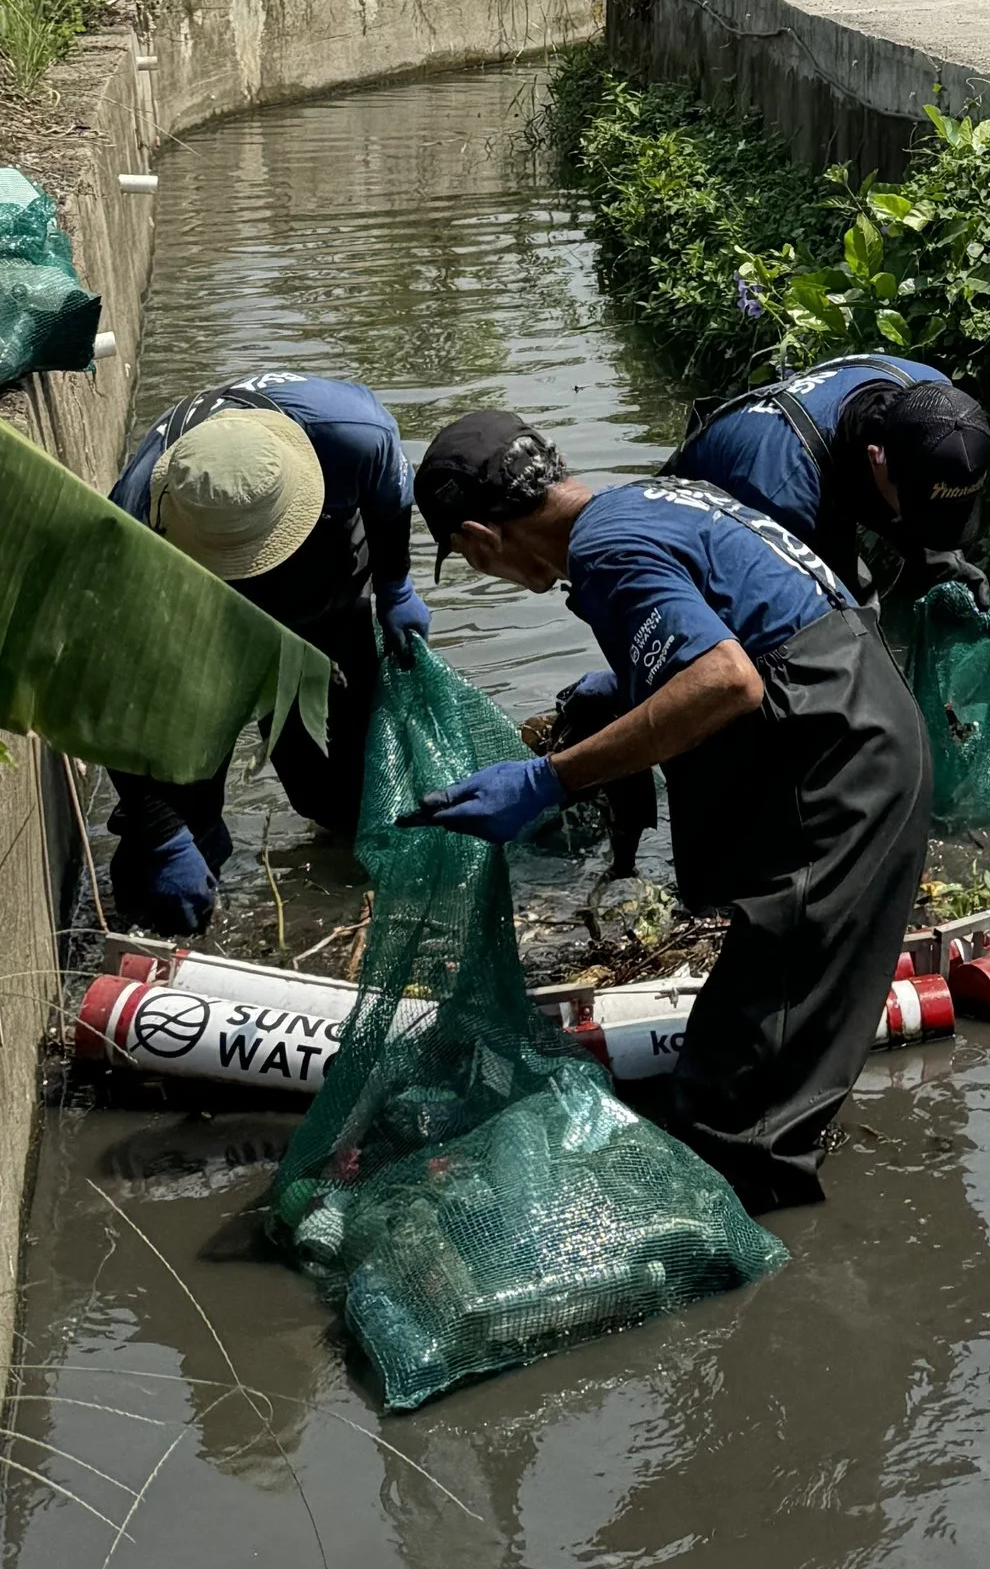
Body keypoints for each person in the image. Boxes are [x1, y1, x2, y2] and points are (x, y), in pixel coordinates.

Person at [410, 410, 932, 1212]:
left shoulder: (604, 550)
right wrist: (628, 691)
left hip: (841, 770)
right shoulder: (653, 498)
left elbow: (729, 680)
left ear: (481, 540)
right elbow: (760, 629)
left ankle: (763, 1297)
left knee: (731, 1108)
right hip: (864, 719)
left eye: (475, 560)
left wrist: (550, 779)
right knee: (765, 1046)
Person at [103, 372, 425, 934]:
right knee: (181, 823)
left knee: (342, 798)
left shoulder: (349, 434)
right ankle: (155, 924)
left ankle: (339, 912)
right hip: (202, 627)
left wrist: (396, 586)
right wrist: (160, 826)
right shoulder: (131, 519)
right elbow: (108, 682)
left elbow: (390, 497)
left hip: (327, 609)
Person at [670, 356, 990, 605]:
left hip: (821, 467)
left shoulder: (937, 405)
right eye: (916, 508)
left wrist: (939, 560)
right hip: (699, 521)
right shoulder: (782, 492)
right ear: (876, 458)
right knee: (838, 619)